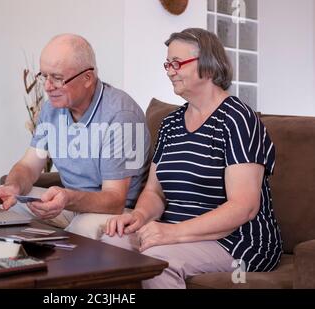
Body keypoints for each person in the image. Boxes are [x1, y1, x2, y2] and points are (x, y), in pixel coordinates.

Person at [102, 28, 283, 288]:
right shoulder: (171, 123)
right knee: (110, 243)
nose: (169, 70)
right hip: (178, 232)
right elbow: (155, 192)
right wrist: (140, 216)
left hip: (239, 243)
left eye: (177, 63)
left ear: (208, 67)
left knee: (156, 262)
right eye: (167, 63)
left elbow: (245, 206)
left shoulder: (237, 119)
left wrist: (172, 233)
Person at [0, 34, 151, 239]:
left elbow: (115, 199)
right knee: (4, 207)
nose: (48, 87)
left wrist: (67, 198)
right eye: (44, 76)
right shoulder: (52, 108)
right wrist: (12, 187)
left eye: (57, 78)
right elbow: (29, 166)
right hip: (70, 206)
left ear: (87, 78)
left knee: (84, 227)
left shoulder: (121, 116)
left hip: (115, 213)